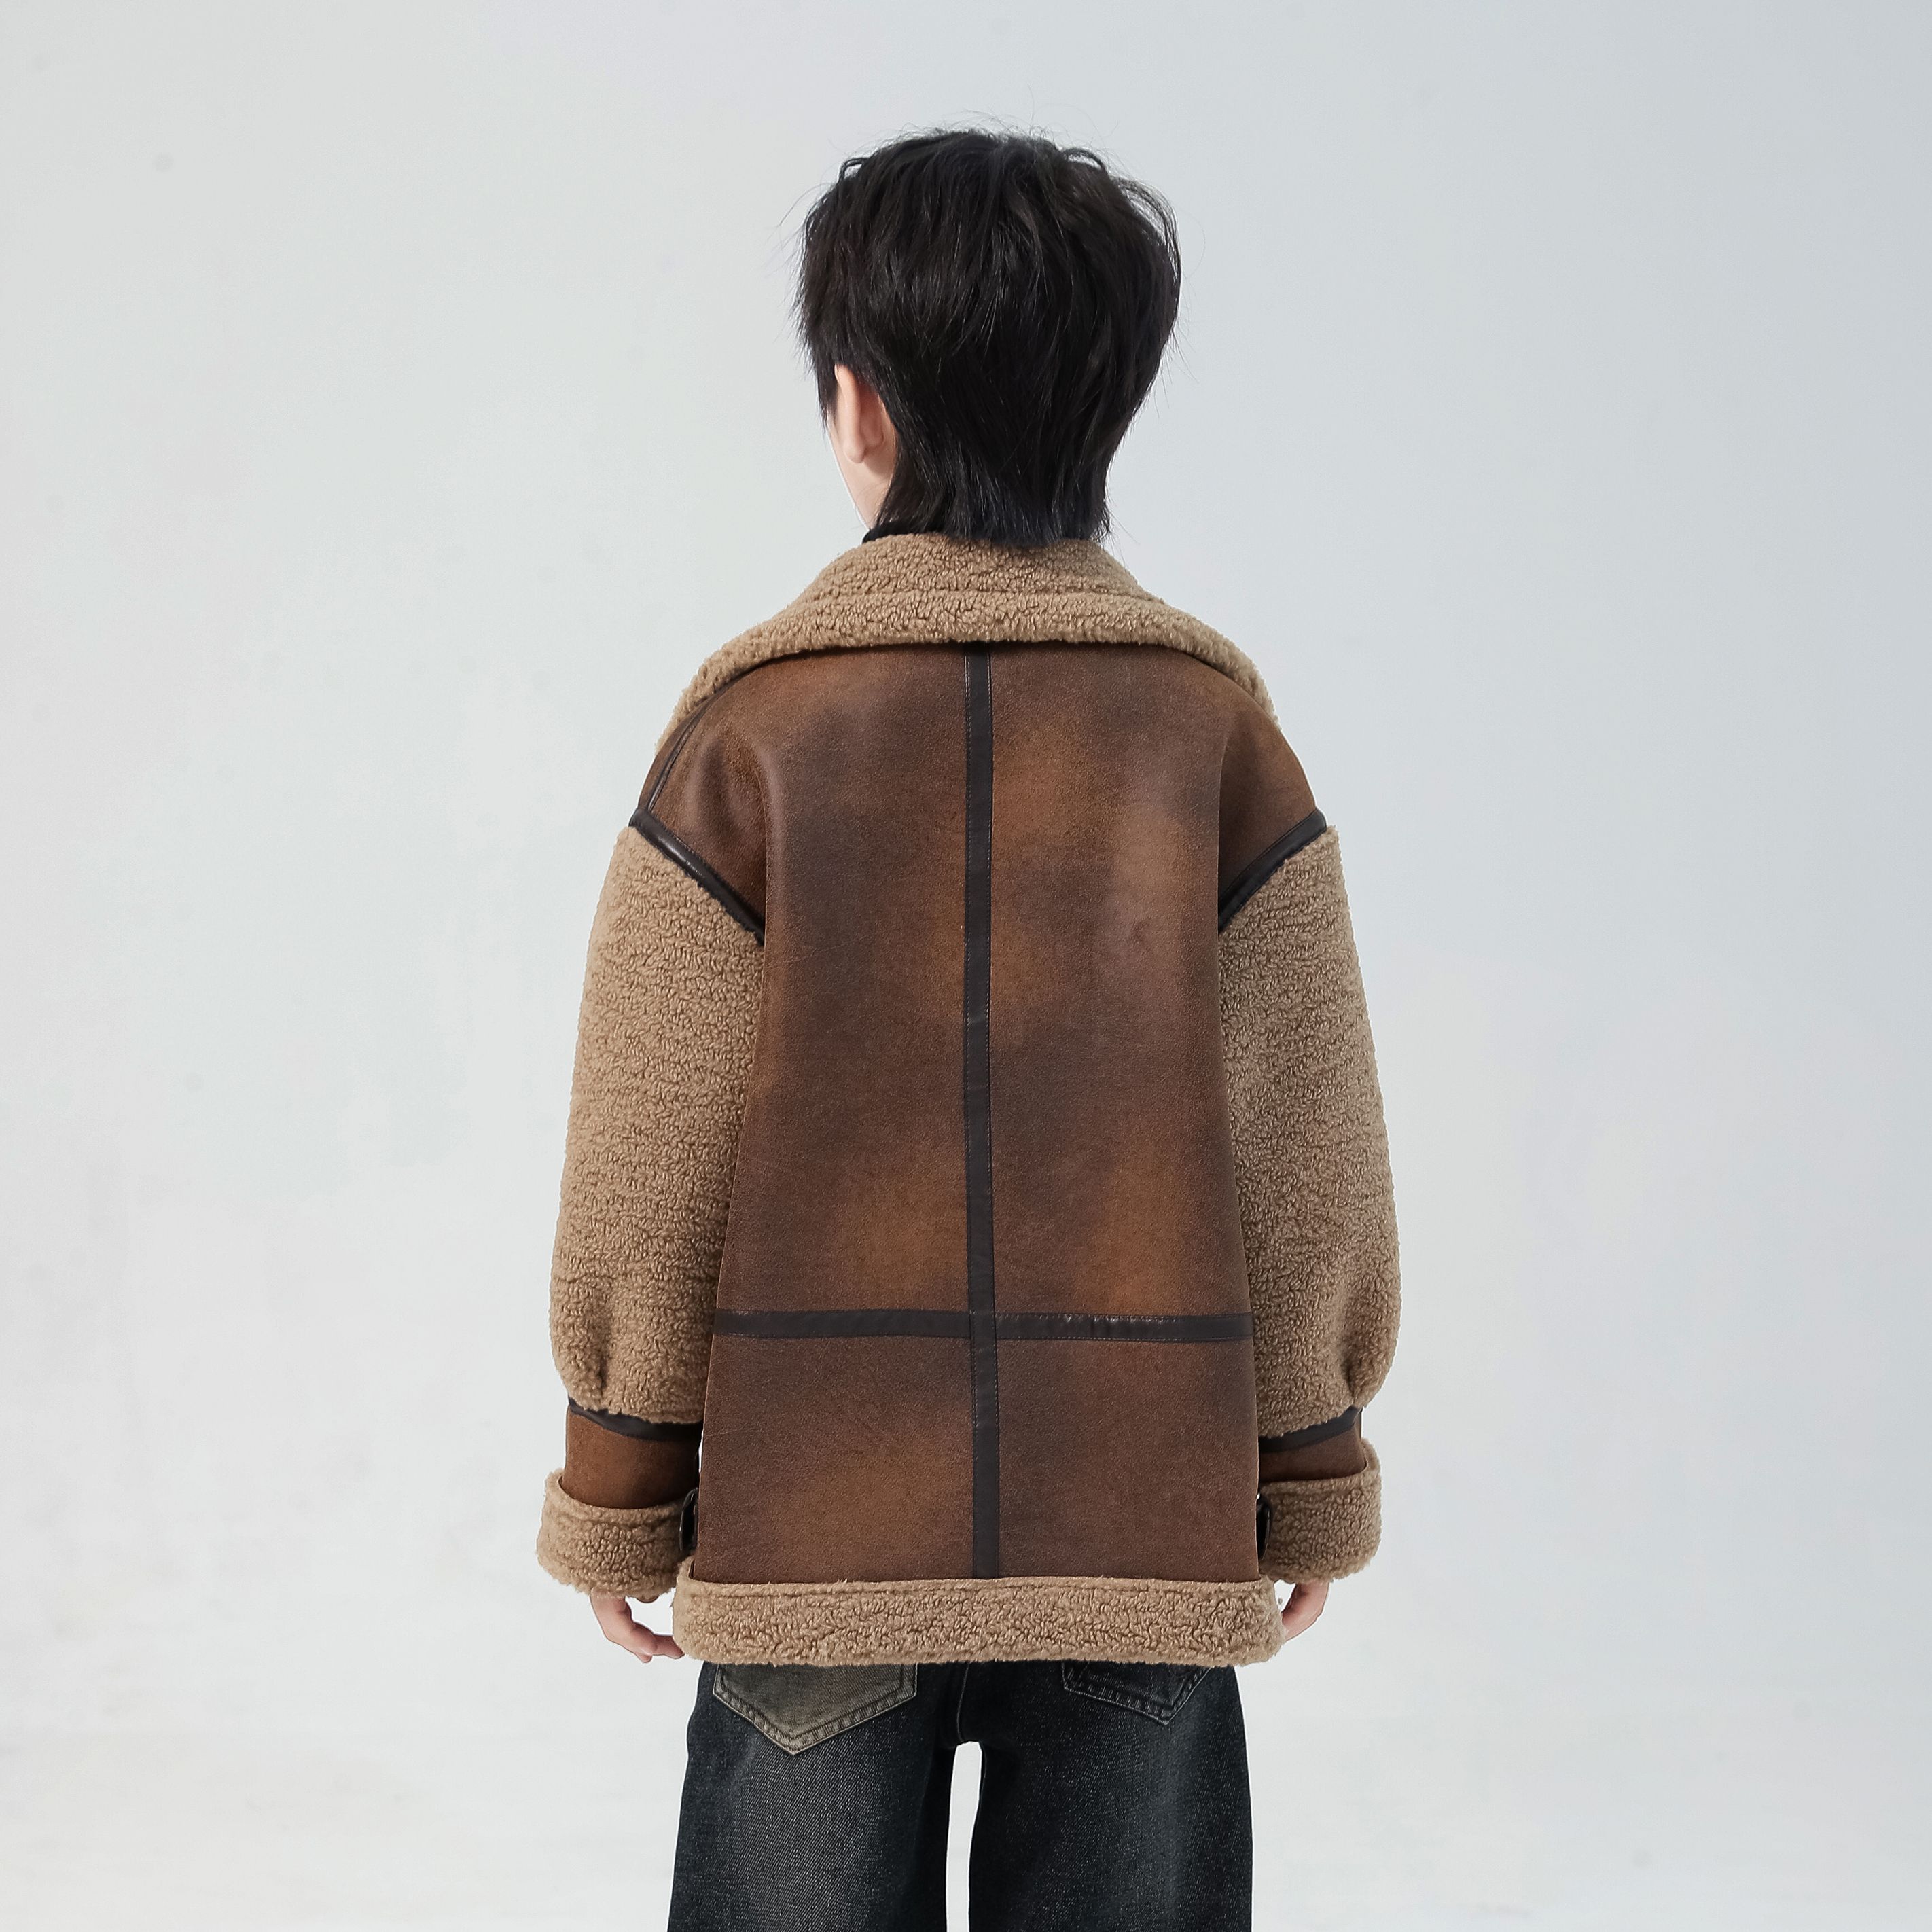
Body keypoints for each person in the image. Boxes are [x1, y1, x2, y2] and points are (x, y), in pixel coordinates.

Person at [535, 128, 1400, 1932]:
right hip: (1139, 1513)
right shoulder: (1214, 737)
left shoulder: (749, 735)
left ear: (855, 405)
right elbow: (1305, 1142)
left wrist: (620, 1476)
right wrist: (1306, 1463)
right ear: (1113, 406)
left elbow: (648, 1148)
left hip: (815, 1518)